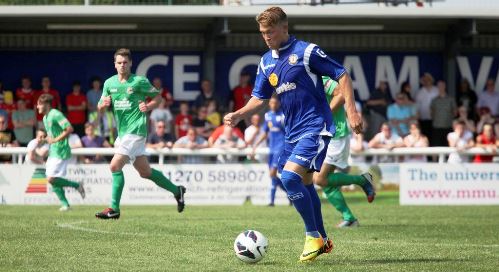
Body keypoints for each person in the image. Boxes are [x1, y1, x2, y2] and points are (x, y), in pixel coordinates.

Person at [223, 6, 362, 262]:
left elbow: (342, 74)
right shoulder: (266, 62)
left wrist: (352, 112)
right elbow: (259, 97)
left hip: (316, 126)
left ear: (284, 28)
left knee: (289, 178)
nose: (266, 36)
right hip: (293, 133)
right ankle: (322, 238)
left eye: (270, 31)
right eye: (263, 32)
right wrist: (239, 113)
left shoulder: (307, 52)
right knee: (306, 183)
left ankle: (312, 237)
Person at [95, 48, 185, 220]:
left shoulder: (139, 81)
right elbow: (100, 105)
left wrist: (149, 106)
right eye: (119, 62)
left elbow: (158, 98)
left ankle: (114, 208)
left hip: (136, 131)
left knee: (115, 166)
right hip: (123, 133)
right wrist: (102, 104)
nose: (122, 65)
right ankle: (177, 190)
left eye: (125, 62)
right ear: (114, 64)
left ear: (131, 64)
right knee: (145, 172)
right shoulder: (109, 83)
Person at [312, 77, 375, 228]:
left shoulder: (321, 77)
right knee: (324, 182)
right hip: (321, 135)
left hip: (336, 134)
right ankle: (349, 218)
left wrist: (323, 115)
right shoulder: (303, 81)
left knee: (320, 179)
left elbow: (341, 94)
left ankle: (362, 180)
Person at [36, 94, 85, 211]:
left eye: (39, 104)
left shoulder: (55, 114)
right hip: (53, 150)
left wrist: (55, 140)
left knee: (51, 178)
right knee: (52, 179)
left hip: (61, 150)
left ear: (46, 104)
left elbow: (69, 129)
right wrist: (44, 139)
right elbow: (52, 135)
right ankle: (66, 205)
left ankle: (77, 185)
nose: (37, 107)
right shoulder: (45, 118)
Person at [252, 96, 285, 206]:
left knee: (272, 173)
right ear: (269, 104)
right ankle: (289, 195)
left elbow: (288, 132)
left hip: (280, 147)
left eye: (275, 103)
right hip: (271, 147)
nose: (273, 105)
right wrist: (255, 145)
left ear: (278, 103)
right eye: (271, 103)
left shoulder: (282, 116)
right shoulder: (268, 116)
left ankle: (271, 201)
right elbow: (265, 132)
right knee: (273, 175)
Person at [430, 80, 457, 147]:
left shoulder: (451, 99)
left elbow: (455, 112)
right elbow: (432, 113)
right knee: (436, 146)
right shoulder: (434, 100)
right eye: (439, 86)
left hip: (448, 126)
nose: (440, 87)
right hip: (437, 127)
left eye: (442, 85)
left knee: (448, 146)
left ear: (445, 86)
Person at [415, 72, 438, 143]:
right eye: (425, 80)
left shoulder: (436, 90)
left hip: (436, 118)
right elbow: (417, 106)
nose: (427, 81)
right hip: (423, 118)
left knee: (434, 136)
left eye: (428, 80)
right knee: (425, 136)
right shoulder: (420, 92)